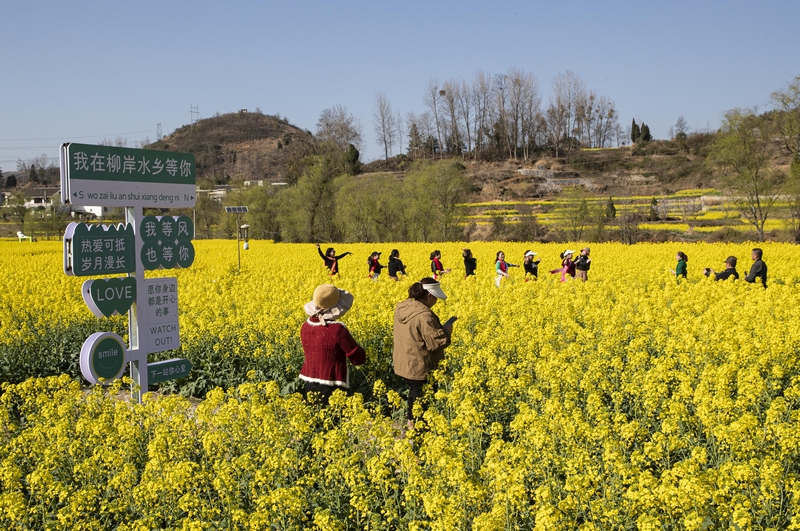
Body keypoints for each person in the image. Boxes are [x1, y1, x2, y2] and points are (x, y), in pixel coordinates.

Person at [393, 278, 454, 425]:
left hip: (404, 363)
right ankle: (417, 431)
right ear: (429, 296)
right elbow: (435, 343)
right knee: (421, 401)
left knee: (414, 395)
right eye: (436, 298)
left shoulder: (402, 308)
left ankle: (410, 424)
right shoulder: (424, 315)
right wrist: (447, 330)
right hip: (420, 365)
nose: (436, 301)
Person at [299, 284, 366, 405]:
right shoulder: (337, 329)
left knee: (313, 418)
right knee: (332, 420)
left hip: (309, 382)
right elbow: (357, 358)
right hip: (332, 384)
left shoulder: (305, 326)